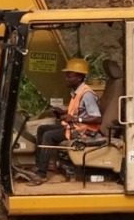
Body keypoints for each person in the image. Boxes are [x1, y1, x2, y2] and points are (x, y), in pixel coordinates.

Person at [23, 58, 102, 186]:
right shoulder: (77, 92)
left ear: (79, 77)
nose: (66, 78)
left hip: (83, 131)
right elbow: (78, 111)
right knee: (42, 129)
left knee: (49, 136)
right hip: (74, 126)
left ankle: (41, 174)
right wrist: (63, 113)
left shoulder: (87, 94)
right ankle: (41, 165)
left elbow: (97, 118)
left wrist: (76, 119)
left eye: (69, 76)